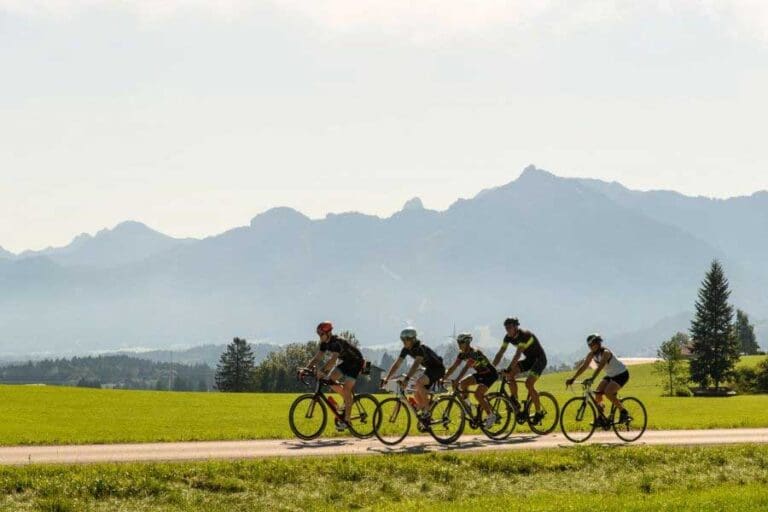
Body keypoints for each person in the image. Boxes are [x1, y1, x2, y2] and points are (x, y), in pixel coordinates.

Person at [304, 321, 365, 431]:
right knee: (330, 380)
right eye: (318, 334)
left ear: (328, 333)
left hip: (356, 362)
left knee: (346, 390)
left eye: (321, 334)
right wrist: (306, 368)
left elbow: (333, 360)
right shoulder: (324, 343)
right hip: (346, 362)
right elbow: (318, 357)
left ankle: (347, 421)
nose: (320, 337)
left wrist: (322, 370)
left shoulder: (337, 342)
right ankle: (347, 401)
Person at [382, 327, 445, 422]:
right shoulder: (406, 349)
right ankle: (425, 413)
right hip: (429, 369)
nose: (403, 342)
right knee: (416, 391)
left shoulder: (420, 348)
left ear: (412, 339)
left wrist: (407, 379)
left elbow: (416, 364)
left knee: (419, 383)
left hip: (438, 369)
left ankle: (427, 412)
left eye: (405, 340)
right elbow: (397, 364)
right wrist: (387, 377)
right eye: (402, 340)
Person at [492, 317, 547, 424]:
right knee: (510, 375)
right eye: (506, 328)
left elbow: (517, 355)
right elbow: (500, 353)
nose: (507, 330)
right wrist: (491, 367)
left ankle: (539, 412)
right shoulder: (507, 337)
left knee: (528, 384)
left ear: (516, 327)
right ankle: (515, 400)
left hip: (540, 359)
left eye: (509, 327)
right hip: (530, 360)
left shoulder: (524, 335)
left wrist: (508, 368)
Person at [566, 333, 630, 424]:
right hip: (611, 375)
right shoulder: (591, 354)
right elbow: (584, 366)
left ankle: (624, 412)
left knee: (608, 392)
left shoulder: (606, 353)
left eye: (592, 344)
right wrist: (573, 378)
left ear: (598, 343)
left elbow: (600, 367)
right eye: (589, 345)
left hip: (622, 374)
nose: (591, 347)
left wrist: (592, 378)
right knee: (598, 392)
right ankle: (601, 417)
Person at [444, 332, 498, 429]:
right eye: (458, 342)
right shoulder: (462, 354)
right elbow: (453, 367)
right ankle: (468, 406)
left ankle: (491, 416)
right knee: (463, 384)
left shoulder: (474, 353)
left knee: (477, 394)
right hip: (480, 373)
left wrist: (456, 380)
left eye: (460, 342)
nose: (459, 345)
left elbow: (465, 368)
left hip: (490, 374)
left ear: (467, 343)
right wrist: (443, 377)